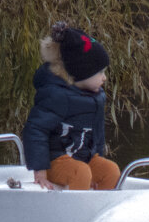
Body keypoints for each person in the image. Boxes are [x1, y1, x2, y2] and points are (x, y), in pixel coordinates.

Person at [22, 21, 121, 191]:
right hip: (54, 160)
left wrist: (96, 160)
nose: (104, 78)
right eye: (99, 72)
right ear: (80, 72)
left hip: (83, 158)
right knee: (81, 173)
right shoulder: (57, 95)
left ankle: (99, 207)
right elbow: (35, 130)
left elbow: (97, 135)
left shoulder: (96, 97)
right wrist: (40, 170)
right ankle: (75, 214)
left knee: (110, 170)